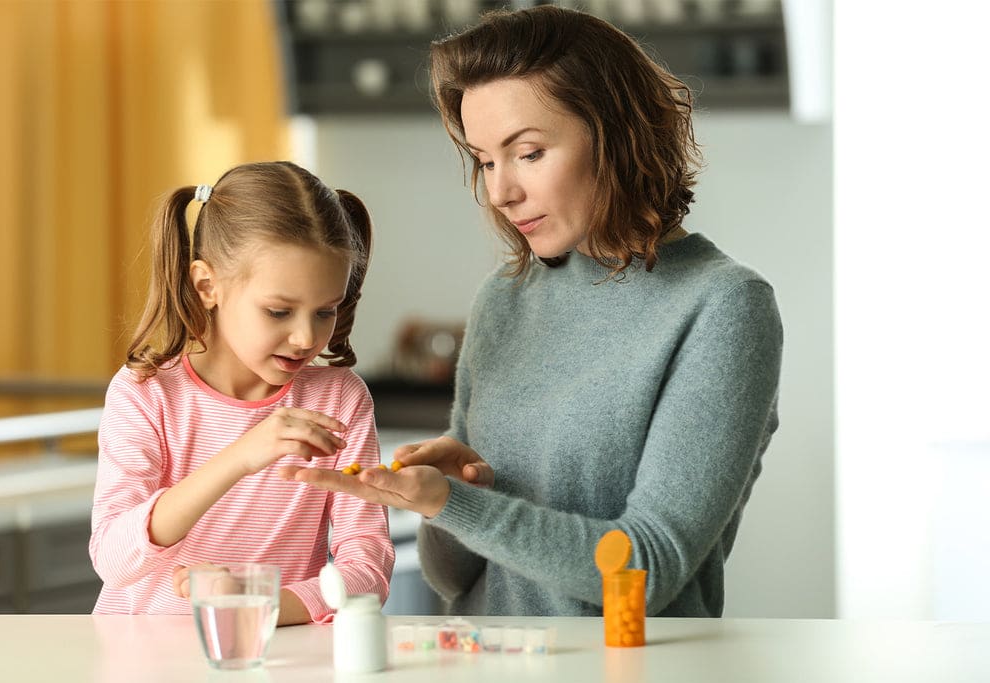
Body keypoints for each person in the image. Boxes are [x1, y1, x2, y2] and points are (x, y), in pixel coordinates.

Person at [292, 5, 782, 618]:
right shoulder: (505, 297)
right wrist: (455, 493)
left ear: (616, 134)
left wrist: (458, 505)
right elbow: (455, 580)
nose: (501, 192)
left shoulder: (722, 307)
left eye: (527, 153)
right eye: (485, 161)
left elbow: (646, 569)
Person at [89, 161, 394, 625]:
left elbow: (367, 570)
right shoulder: (147, 394)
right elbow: (113, 558)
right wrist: (241, 456)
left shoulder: (339, 401)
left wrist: (256, 602)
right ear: (207, 286)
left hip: (275, 659)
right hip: (144, 658)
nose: (304, 338)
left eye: (325, 312)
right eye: (278, 312)